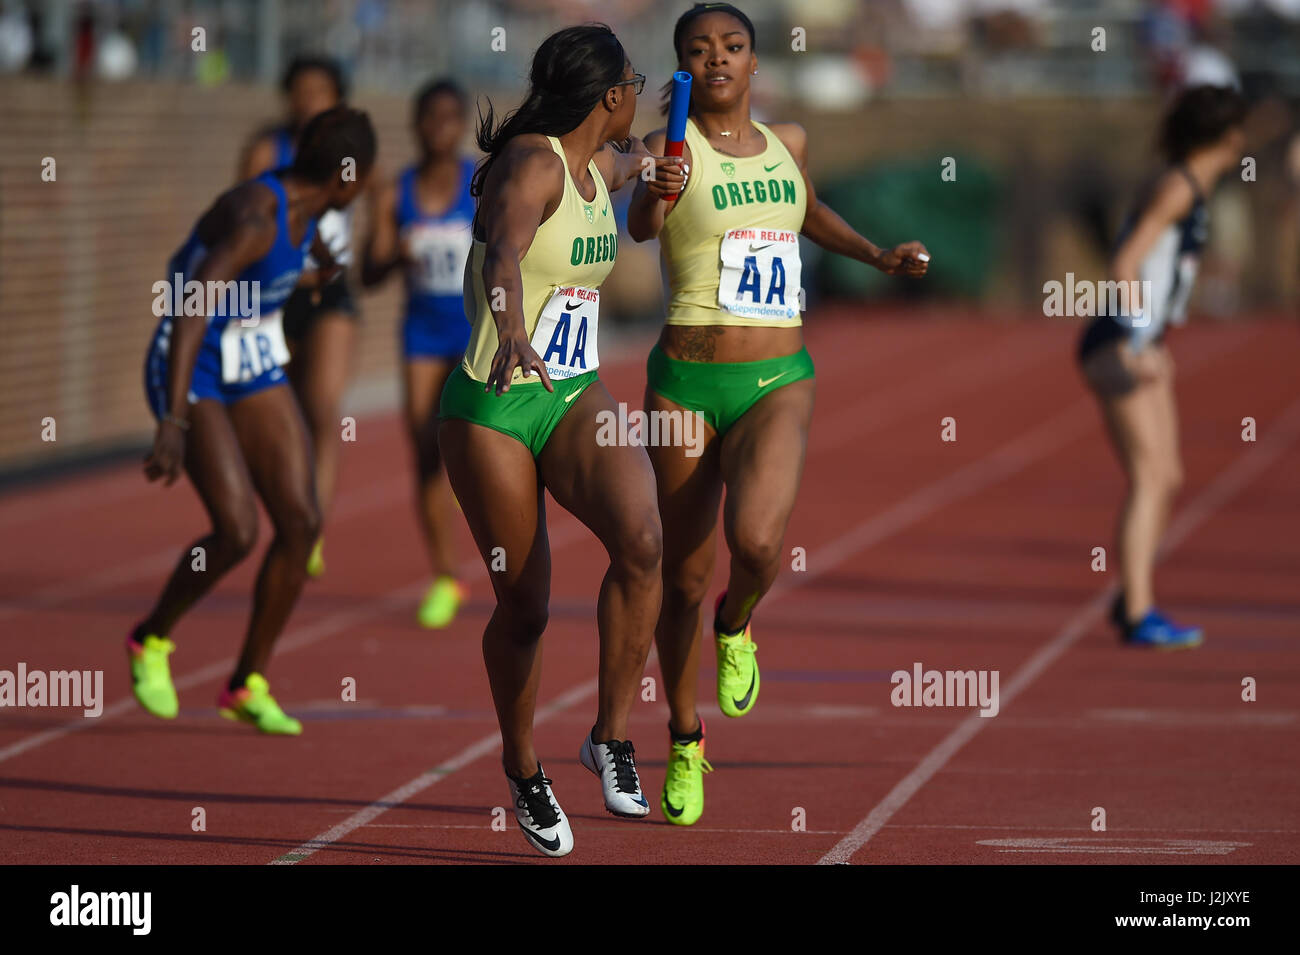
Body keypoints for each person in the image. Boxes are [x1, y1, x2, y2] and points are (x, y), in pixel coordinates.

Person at [628, 2, 929, 826]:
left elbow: (807, 211)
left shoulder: (788, 142)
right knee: (680, 579)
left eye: (732, 46)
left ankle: (741, 620)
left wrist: (874, 252)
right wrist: (660, 191)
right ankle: (686, 737)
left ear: (755, 63)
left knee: (757, 542)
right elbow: (642, 227)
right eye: (698, 48)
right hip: (683, 384)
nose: (717, 57)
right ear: (683, 69)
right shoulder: (665, 149)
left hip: (775, 378)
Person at [438, 24, 680, 857]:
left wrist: (662, 161)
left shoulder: (594, 164)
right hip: (495, 401)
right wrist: (509, 327)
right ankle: (522, 766)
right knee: (527, 603)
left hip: (572, 389)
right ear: (607, 93)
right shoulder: (533, 164)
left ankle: (610, 735)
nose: (640, 95)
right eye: (635, 83)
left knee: (643, 538)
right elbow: (503, 250)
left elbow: (637, 157)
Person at [132, 107, 377, 734]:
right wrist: (172, 420)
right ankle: (151, 638)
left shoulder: (309, 212)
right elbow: (190, 307)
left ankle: (246, 682)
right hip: (195, 366)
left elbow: (313, 255)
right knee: (237, 529)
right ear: (347, 182)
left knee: (301, 523)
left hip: (253, 360)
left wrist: (320, 273)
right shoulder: (257, 216)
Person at [1077, 84, 1247, 649]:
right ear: (1228, 137)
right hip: (1118, 343)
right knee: (1150, 477)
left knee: (1167, 475)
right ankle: (1139, 609)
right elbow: (1125, 260)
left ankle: (1134, 595)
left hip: (1145, 341)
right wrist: (1136, 340)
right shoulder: (1177, 186)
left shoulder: (1189, 184)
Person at [362, 78, 475, 629]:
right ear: (416, 126)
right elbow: (369, 272)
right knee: (422, 440)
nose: (439, 130)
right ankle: (446, 576)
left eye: (450, 118)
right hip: (423, 330)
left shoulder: (481, 184)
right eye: (430, 119)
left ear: (461, 125)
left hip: (476, 326)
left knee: (477, 435)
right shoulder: (395, 192)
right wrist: (394, 250)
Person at [239, 55, 358, 579]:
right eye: (301, 90)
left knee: (321, 408)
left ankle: (311, 527)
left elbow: (368, 204)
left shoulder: (351, 152)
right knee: (272, 417)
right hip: (273, 295)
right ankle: (288, 511)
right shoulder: (268, 149)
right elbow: (242, 215)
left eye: (322, 91)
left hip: (331, 294)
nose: (310, 100)